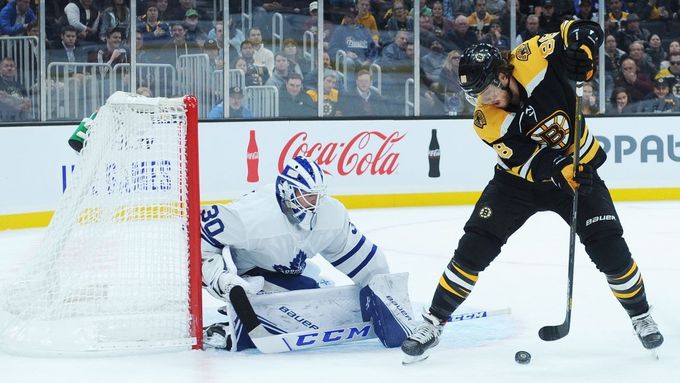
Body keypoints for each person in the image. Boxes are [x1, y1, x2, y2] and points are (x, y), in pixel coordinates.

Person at [400, 20, 664, 364]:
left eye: (486, 90)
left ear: (503, 74)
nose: (483, 99)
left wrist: (583, 50)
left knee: (610, 248)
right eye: (475, 95)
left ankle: (641, 316)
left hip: (578, 173)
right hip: (517, 183)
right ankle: (433, 322)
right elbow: (527, 162)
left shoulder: (531, 57)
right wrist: (559, 168)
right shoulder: (486, 120)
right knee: (473, 248)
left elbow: (578, 29)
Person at [200, 156, 413, 350]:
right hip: (244, 275)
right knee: (298, 308)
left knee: (313, 294)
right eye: (307, 196)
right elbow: (200, 233)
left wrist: (386, 296)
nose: (315, 203)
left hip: (285, 269)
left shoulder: (331, 215)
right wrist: (220, 278)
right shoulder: (254, 216)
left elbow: (365, 261)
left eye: (317, 196)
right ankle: (225, 331)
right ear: (286, 190)